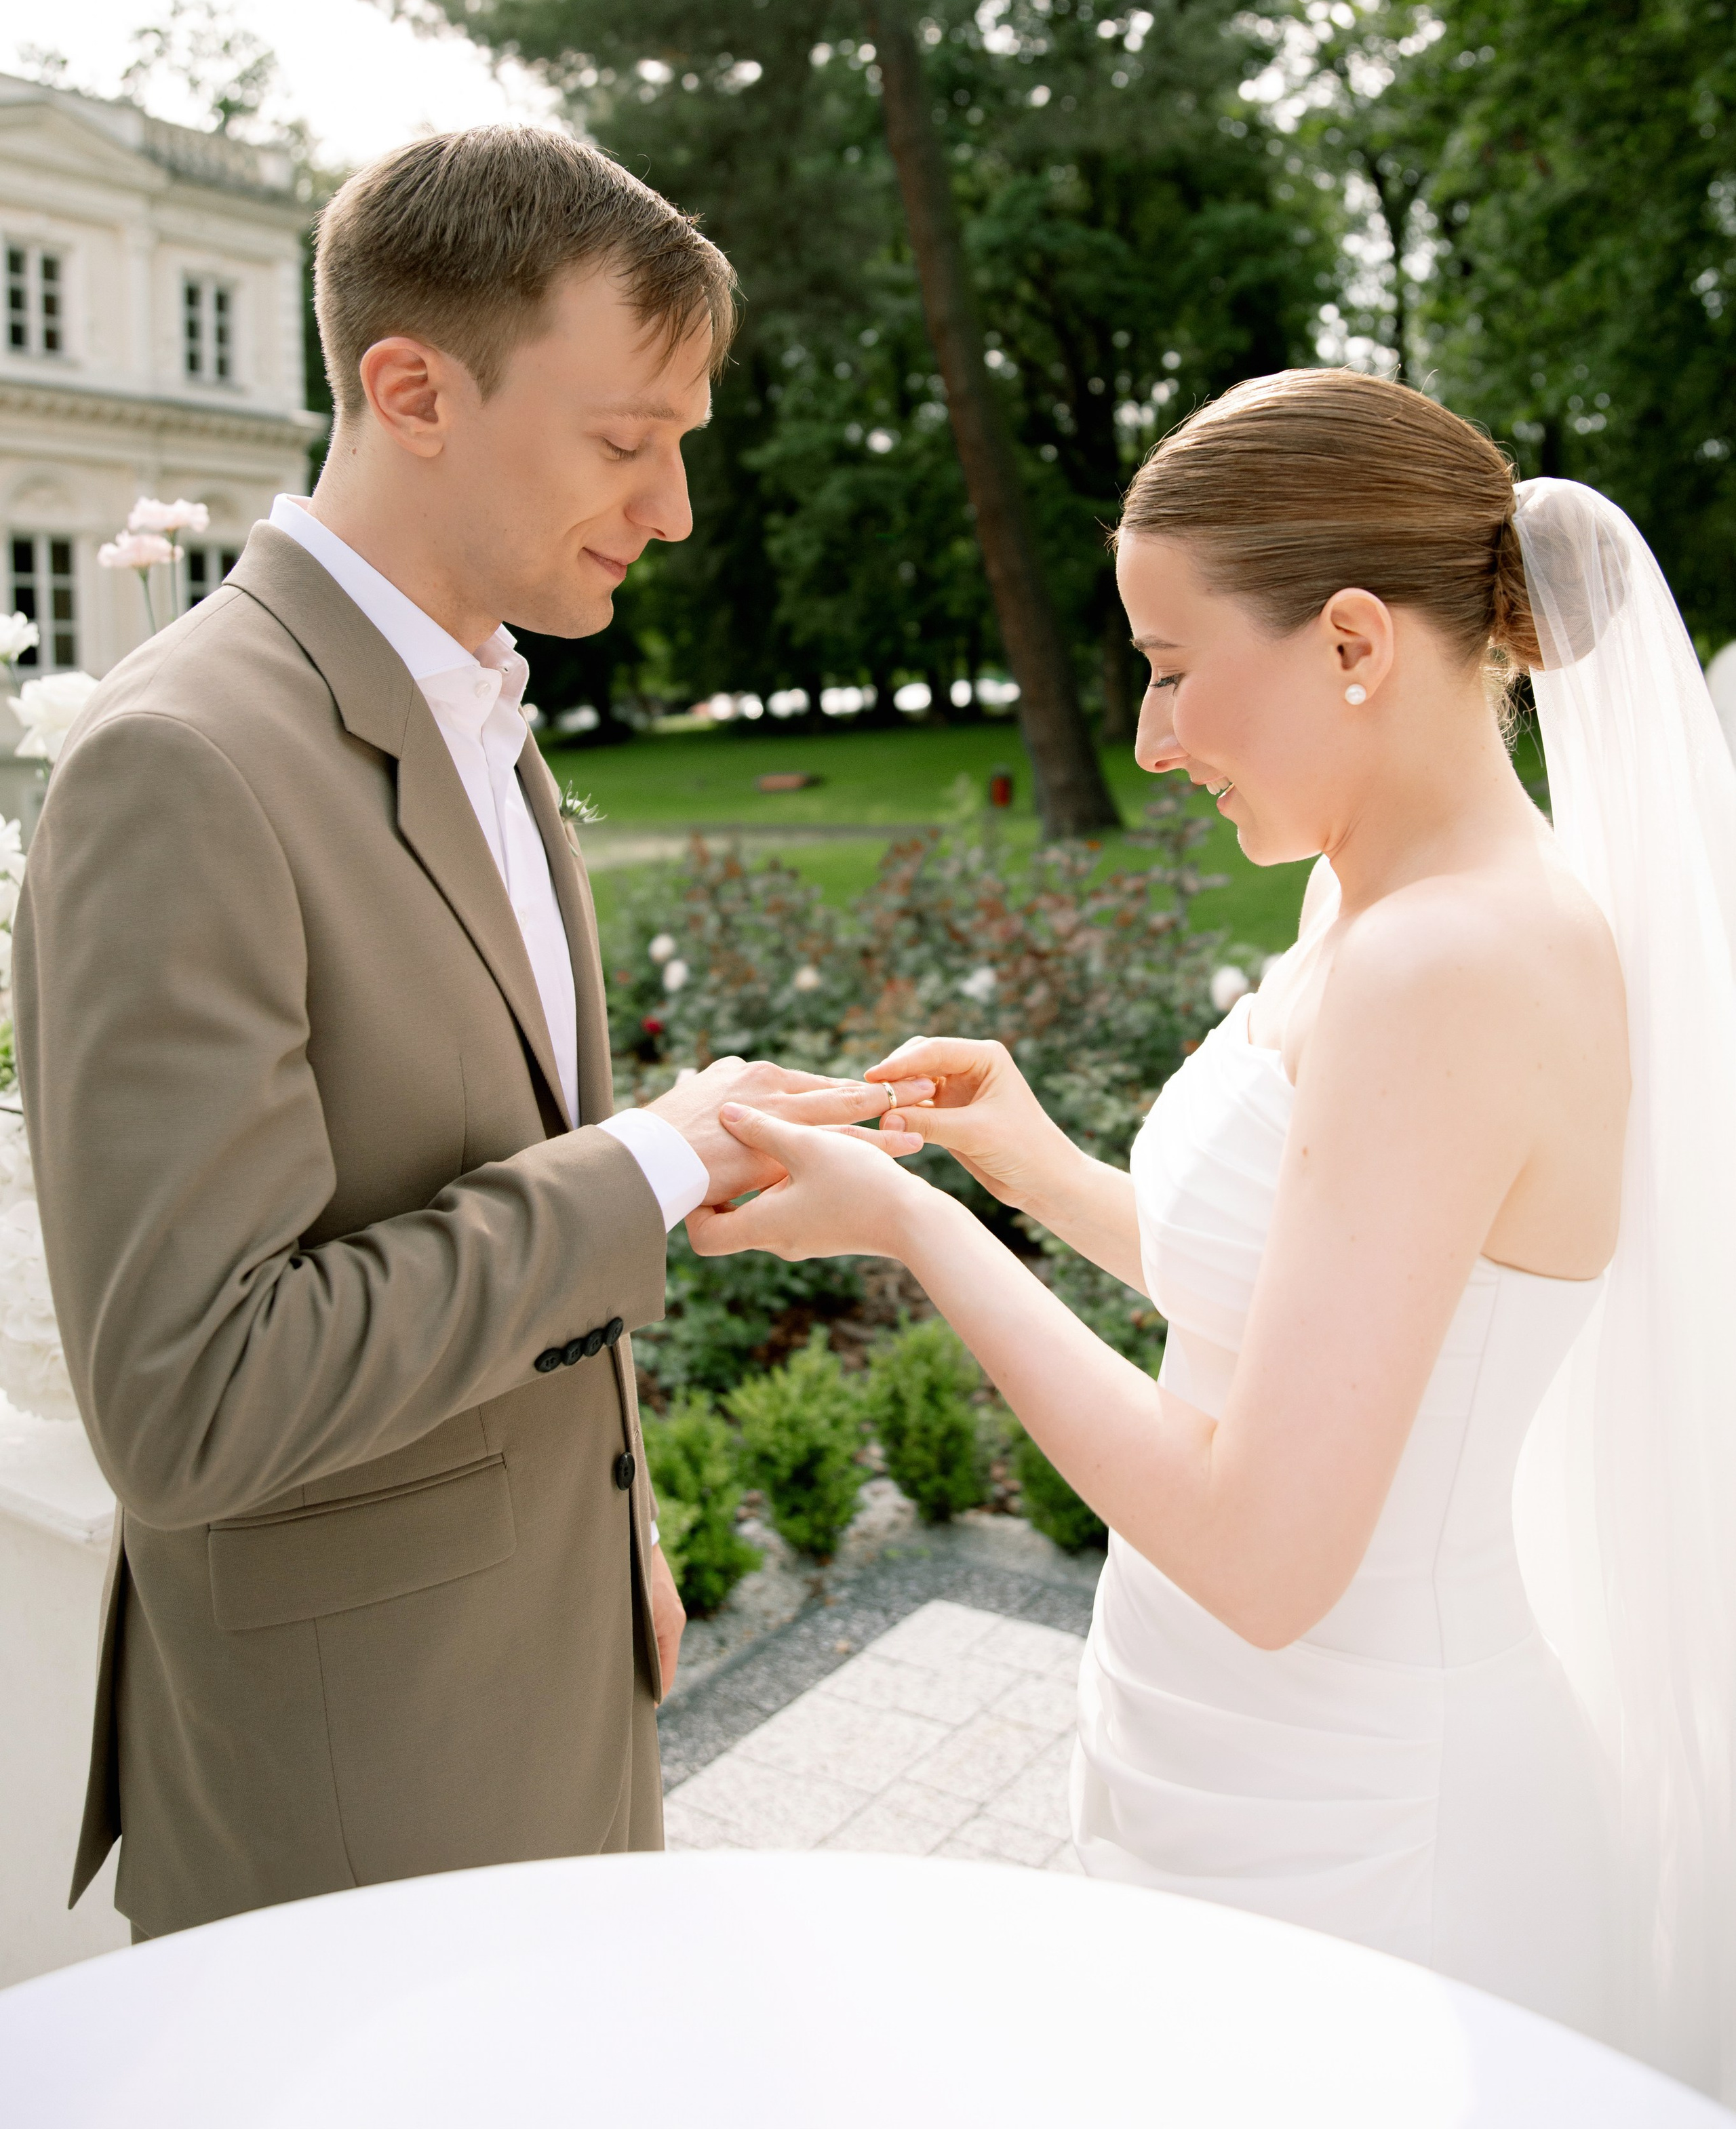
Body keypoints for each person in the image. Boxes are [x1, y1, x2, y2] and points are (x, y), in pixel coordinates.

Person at [692, 371, 1736, 2099]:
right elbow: (1302, 1309)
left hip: (1375, 1821)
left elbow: (1264, 1552)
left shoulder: (1449, 963)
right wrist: (1023, 1168)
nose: (1152, 737)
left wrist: (915, 1235)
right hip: (1229, 1755)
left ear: (1348, 642)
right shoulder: (1365, 898)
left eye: (1172, 670)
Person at [14, 126, 924, 1942]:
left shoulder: (488, 714)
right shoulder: (179, 765)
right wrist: (653, 1160)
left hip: (553, 1677)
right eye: (625, 439)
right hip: (355, 1801)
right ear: (411, 390)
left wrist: (624, 1522)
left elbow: (484, 1196)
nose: (671, 509)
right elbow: (196, 1400)